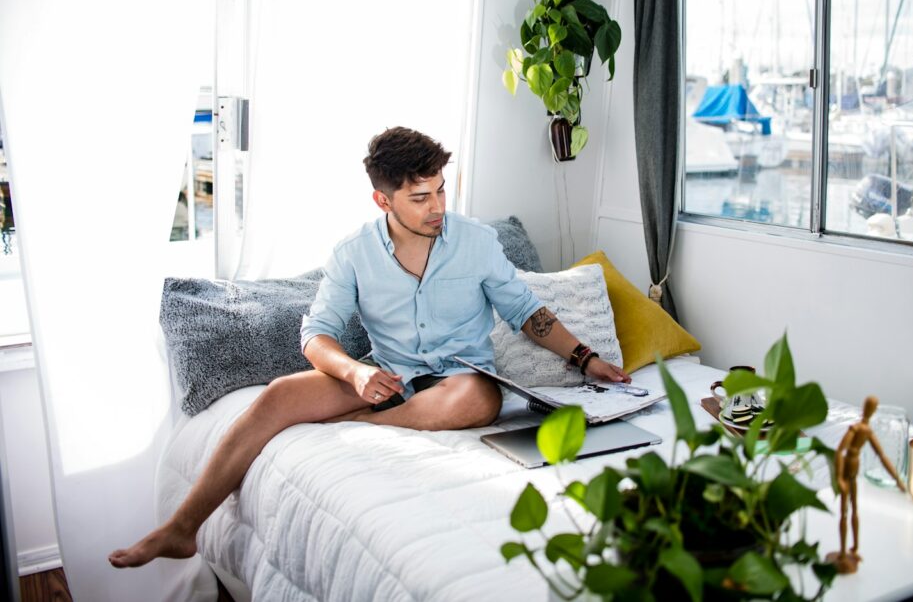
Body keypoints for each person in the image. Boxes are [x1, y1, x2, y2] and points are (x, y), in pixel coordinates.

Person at [109, 126, 629, 568]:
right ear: (383, 200)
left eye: (441, 192)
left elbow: (525, 312)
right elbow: (315, 334)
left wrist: (587, 358)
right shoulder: (354, 253)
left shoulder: (475, 243)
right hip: (387, 376)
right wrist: (356, 375)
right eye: (420, 198)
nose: (437, 208)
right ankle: (181, 527)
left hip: (459, 379)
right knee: (276, 398)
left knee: (479, 396)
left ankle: (345, 431)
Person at [827, 395, 906, 574]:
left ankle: (853, 549)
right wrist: (839, 477)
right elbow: (839, 452)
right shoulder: (855, 429)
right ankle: (841, 552)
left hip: (855, 471)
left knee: (854, 510)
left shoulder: (867, 431)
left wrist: (897, 479)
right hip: (848, 469)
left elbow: (882, 456)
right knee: (844, 512)